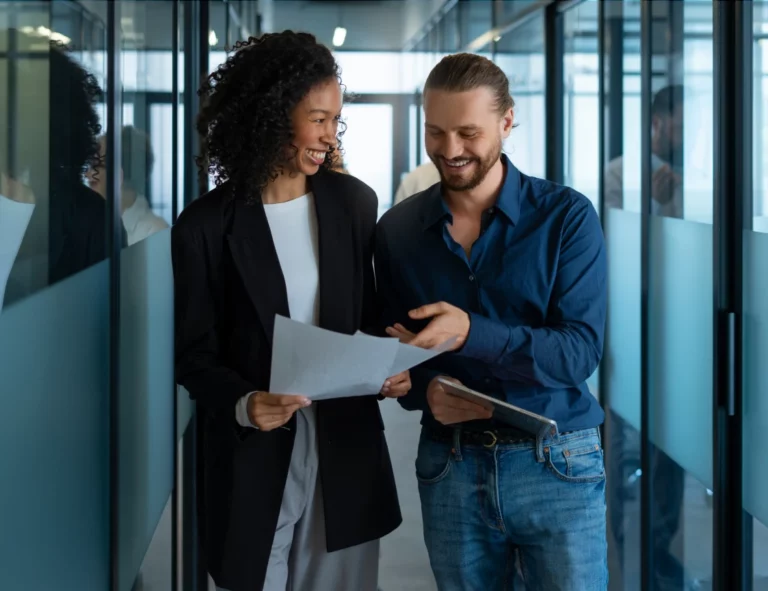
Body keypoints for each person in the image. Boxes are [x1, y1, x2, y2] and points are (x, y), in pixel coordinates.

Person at [172, 31, 407, 591]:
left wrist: (386, 368)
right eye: (318, 118)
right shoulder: (205, 225)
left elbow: (368, 317)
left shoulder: (354, 203)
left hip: (343, 436)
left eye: (335, 119)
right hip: (254, 444)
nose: (331, 135)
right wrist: (244, 403)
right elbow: (192, 353)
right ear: (271, 115)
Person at [375, 53, 608, 590]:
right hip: (449, 465)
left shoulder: (566, 218)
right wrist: (422, 390)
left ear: (507, 122)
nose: (450, 150)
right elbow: (396, 349)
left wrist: (471, 333)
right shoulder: (399, 230)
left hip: (558, 464)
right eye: (435, 132)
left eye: (468, 132)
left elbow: (579, 353)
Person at [604, 84, 684, 217]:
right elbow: (611, 231)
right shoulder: (617, 173)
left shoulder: (699, 176)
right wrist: (653, 201)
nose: (688, 137)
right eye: (680, 128)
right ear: (656, 123)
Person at [87, 126, 169, 245]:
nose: (88, 175)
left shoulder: (154, 233)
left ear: (118, 175)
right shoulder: (96, 225)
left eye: (96, 165)